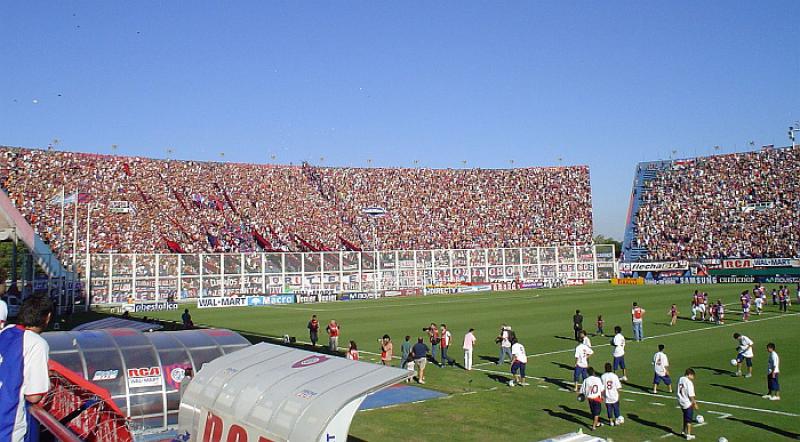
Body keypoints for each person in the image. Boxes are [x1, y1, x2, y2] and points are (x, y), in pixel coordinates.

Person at [0, 295, 53, 442]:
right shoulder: (36, 343)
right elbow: (33, 395)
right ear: (47, 317)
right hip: (7, 426)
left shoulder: (6, 331)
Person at [676, 368, 699, 440]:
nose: (693, 377)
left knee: (685, 417)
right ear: (689, 375)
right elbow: (691, 395)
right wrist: (694, 403)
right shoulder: (689, 382)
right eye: (693, 376)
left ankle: (683, 431)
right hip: (687, 403)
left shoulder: (681, 378)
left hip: (680, 400)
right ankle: (688, 435)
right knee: (689, 419)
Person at [580, 367, 604, 431]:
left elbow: (582, 390)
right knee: (596, 413)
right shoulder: (598, 379)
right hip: (596, 398)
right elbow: (602, 389)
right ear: (593, 372)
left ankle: (597, 423)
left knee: (593, 412)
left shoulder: (586, 380)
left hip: (590, 398)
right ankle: (593, 426)